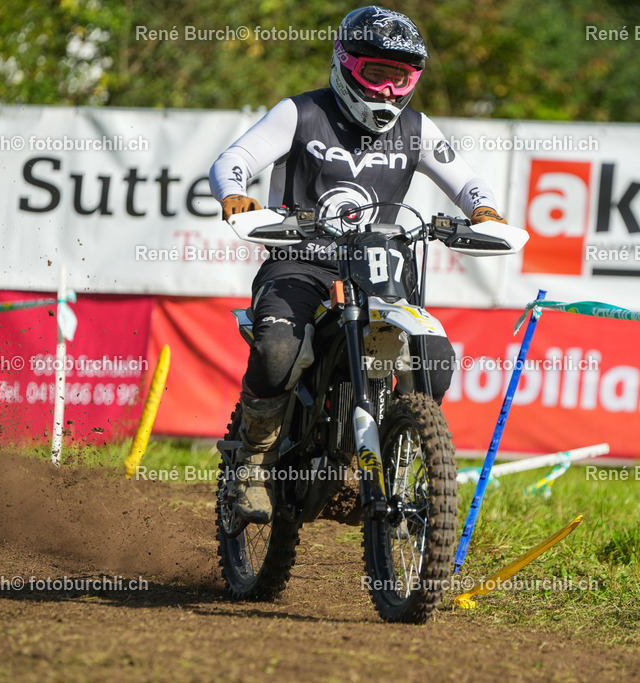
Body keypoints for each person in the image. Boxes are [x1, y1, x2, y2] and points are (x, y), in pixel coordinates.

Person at [209, 5, 508, 523]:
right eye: (376, 74)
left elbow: (465, 181)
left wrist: (481, 210)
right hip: (300, 265)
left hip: (381, 270)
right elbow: (232, 160)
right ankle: (252, 464)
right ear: (345, 64)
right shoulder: (300, 113)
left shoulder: (416, 127)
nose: (389, 91)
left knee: (433, 360)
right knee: (279, 350)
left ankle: (393, 449)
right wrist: (235, 193)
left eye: (401, 78)